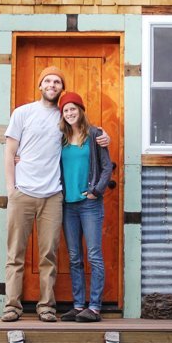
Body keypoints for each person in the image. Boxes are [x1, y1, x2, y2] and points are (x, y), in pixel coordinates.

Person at [2, 67, 109, 323]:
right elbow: (9, 151)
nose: (52, 85)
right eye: (48, 80)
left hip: (53, 196)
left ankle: (46, 306)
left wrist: (104, 134)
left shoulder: (63, 119)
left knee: (48, 255)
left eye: (57, 82)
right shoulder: (23, 113)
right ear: (40, 85)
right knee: (15, 253)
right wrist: (11, 189)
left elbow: (84, 134)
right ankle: (12, 306)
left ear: (61, 89)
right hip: (23, 193)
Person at [58, 92, 113, 323]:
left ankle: (95, 307)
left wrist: (96, 191)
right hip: (67, 205)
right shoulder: (60, 138)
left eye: (73, 108)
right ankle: (79, 305)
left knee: (94, 255)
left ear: (80, 110)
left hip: (89, 205)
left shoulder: (95, 135)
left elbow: (106, 167)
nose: (70, 113)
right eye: (65, 110)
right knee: (74, 257)